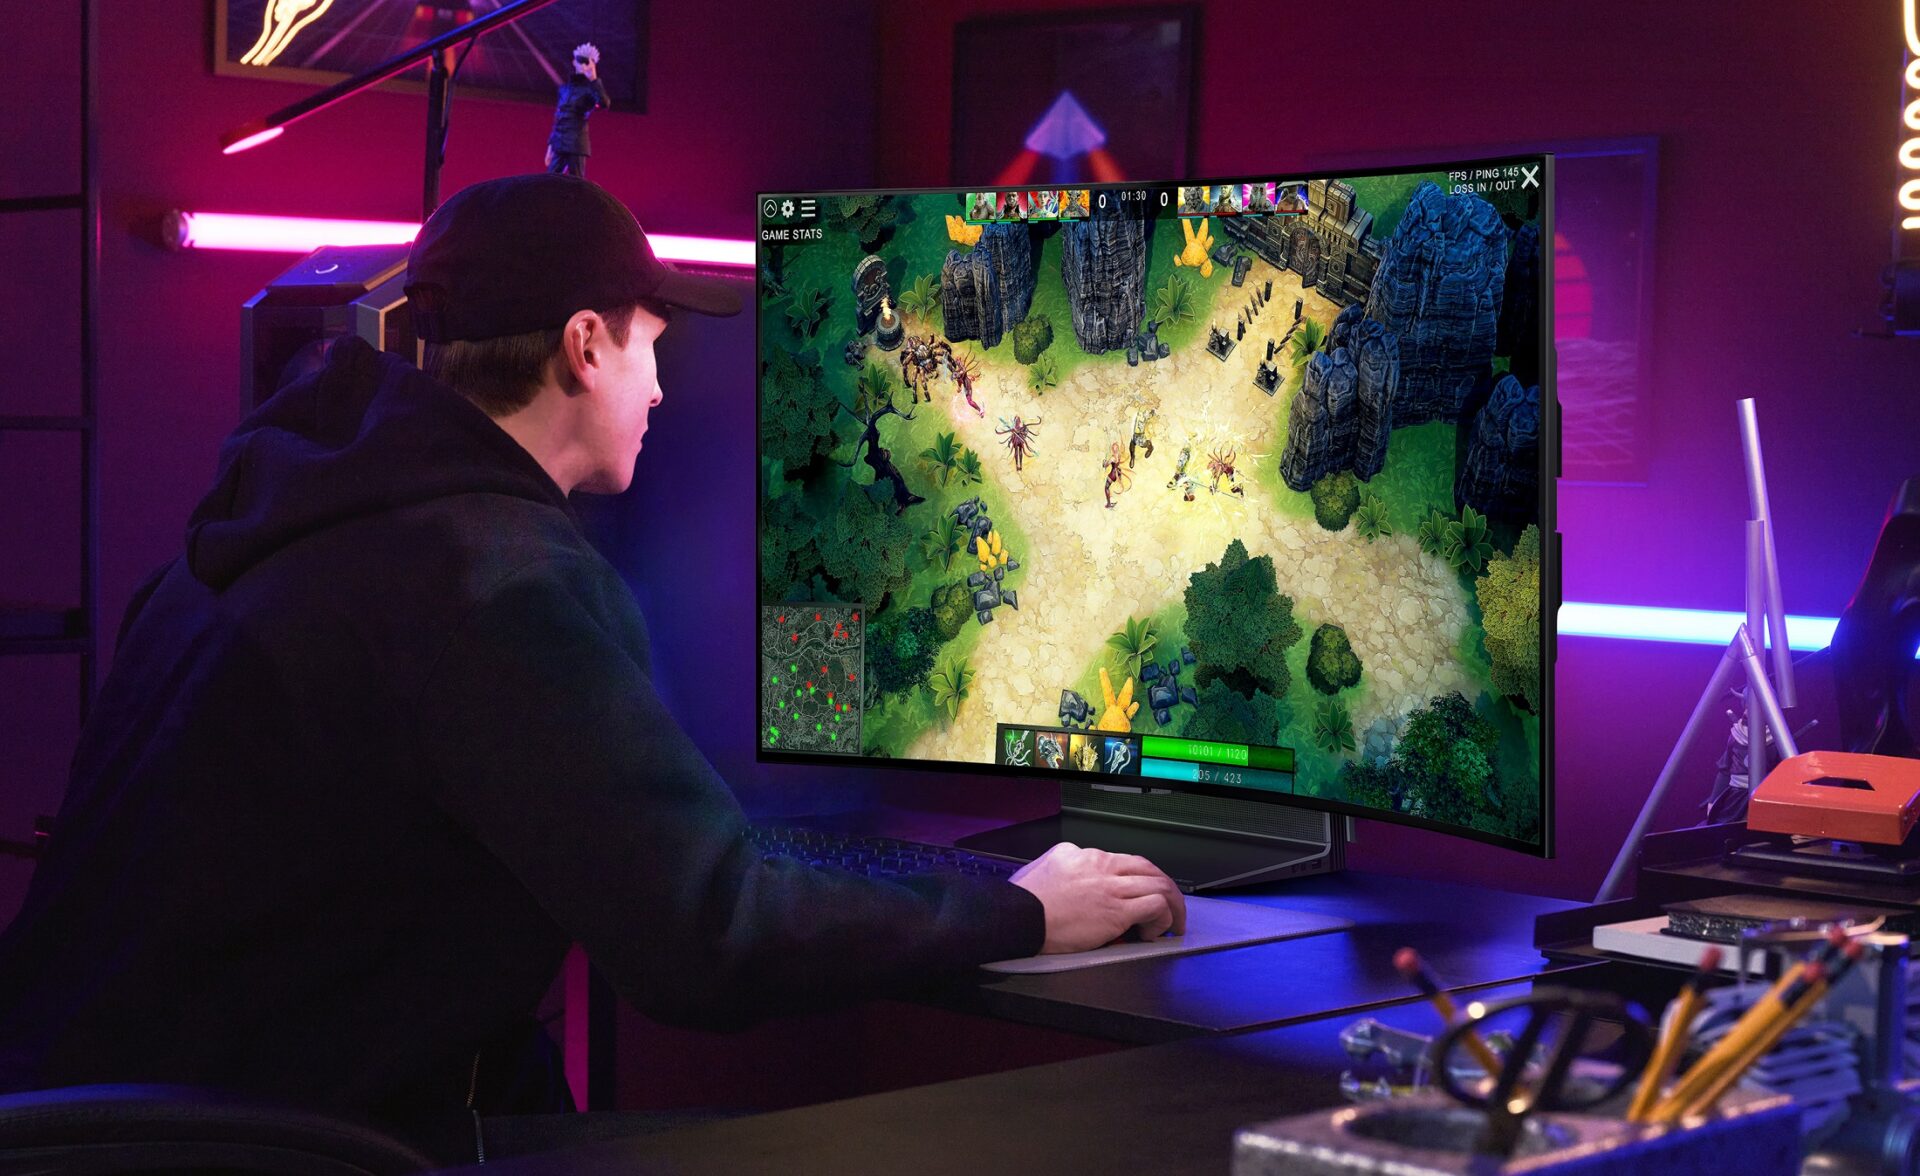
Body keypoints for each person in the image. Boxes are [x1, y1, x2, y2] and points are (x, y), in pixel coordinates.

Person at [0, 175, 1184, 1163]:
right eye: (650, 346)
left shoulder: (275, 520)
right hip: (293, 1143)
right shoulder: (492, 578)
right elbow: (706, 939)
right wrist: (1022, 908)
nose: (662, 388)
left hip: (115, 1124)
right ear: (583, 345)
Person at [545, 43, 610, 178]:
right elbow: (559, 117)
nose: (583, 65)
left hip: (577, 143)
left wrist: (594, 78)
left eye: (587, 62)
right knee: (550, 180)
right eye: (580, 61)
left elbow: (604, 103)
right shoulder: (564, 89)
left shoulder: (591, 89)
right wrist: (550, 146)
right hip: (560, 141)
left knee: (577, 181)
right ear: (574, 62)